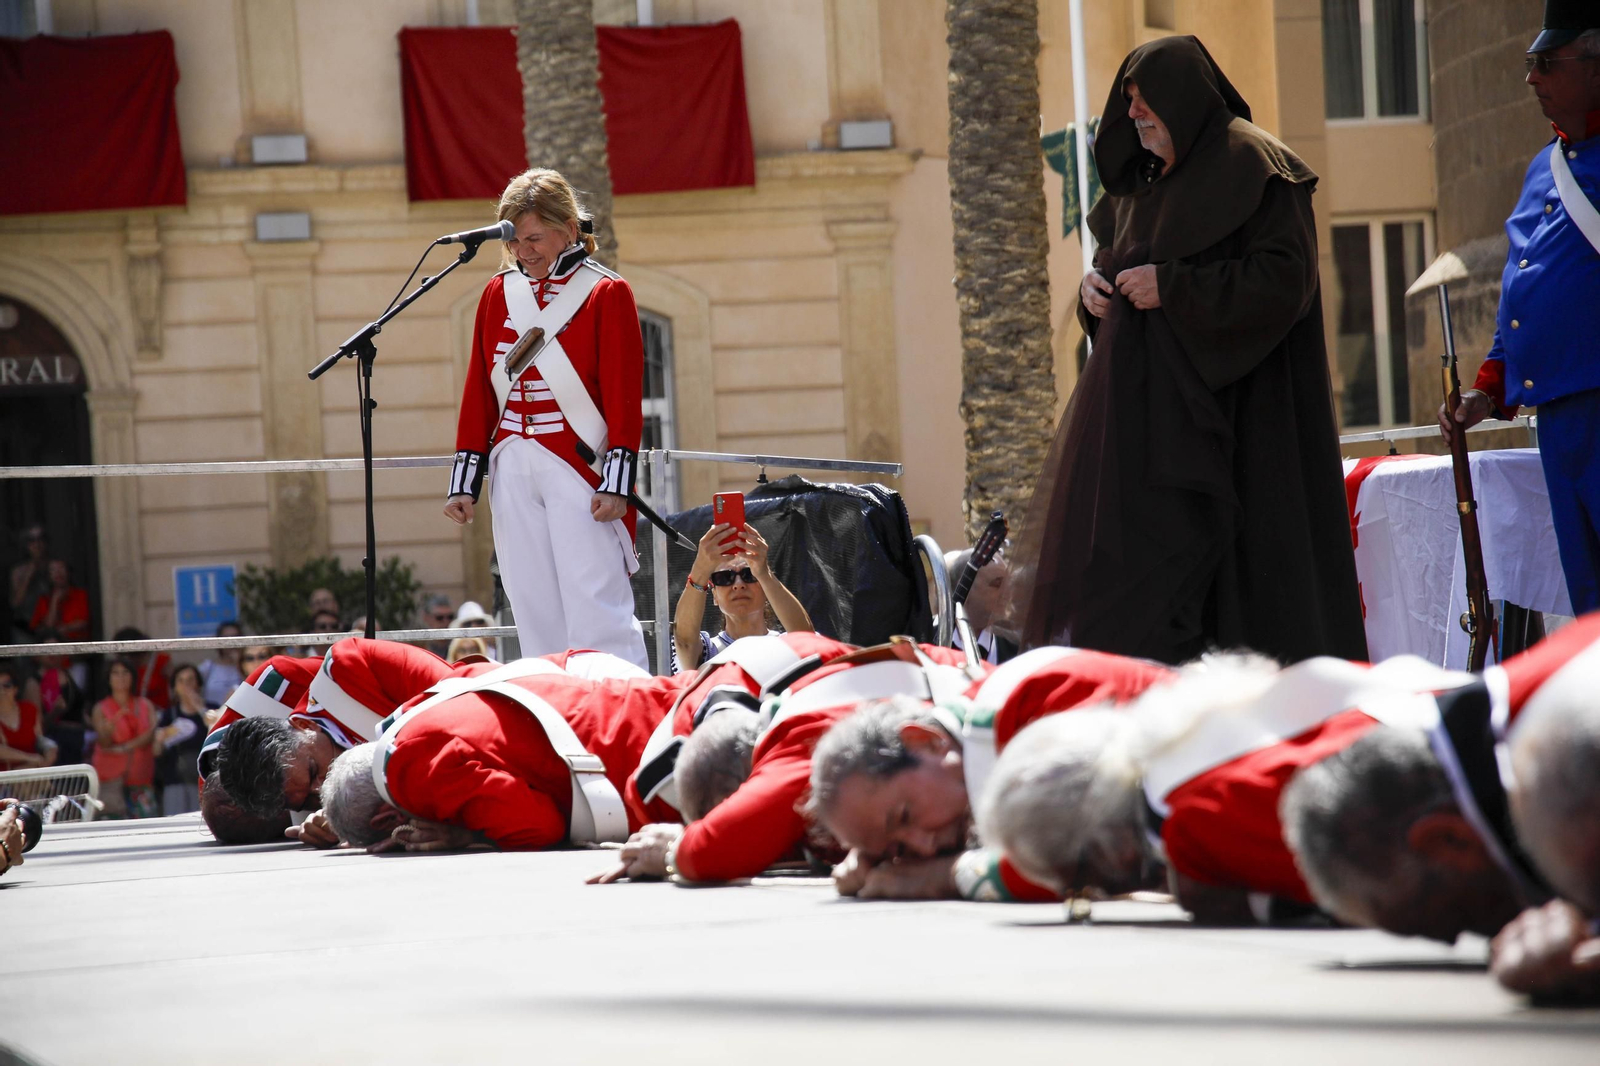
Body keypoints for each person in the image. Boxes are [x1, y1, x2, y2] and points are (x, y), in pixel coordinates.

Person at [1013, 35, 1364, 667]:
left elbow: (1286, 281)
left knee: (1252, 599)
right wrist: (1094, 293)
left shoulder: (1258, 166)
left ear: (1185, 99)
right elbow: (1117, 265)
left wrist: (1173, 288)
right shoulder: (1137, 187)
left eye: (1148, 101)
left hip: (1245, 428)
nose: (1137, 115)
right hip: (1152, 441)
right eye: (1130, 103)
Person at [978, 653, 1467, 922]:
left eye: (1082, 885)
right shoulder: (1196, 714)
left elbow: (1372, 890)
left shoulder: (1191, 821)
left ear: (1108, 854)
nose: (1101, 896)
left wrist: (1249, 901)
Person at [443, 167, 648, 671]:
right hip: (512, 461)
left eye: (534, 237)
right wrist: (465, 481)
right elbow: (480, 390)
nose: (523, 251)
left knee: (596, 606)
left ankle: (620, 715)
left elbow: (624, 396)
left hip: (580, 466)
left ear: (568, 230)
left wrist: (617, 484)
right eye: (515, 240)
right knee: (531, 605)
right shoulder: (497, 293)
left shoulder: (606, 292)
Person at [1440, 13, 1600, 615]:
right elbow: (1524, 292)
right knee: (1589, 606)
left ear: (1596, 65)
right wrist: (1489, 390)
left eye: (1547, 64)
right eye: (1530, 64)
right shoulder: (1545, 167)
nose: (1532, 79)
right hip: (1561, 418)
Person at [805, 647, 1172, 902]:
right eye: (900, 849)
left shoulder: (1040, 698)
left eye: (904, 816)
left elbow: (1090, 858)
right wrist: (877, 854)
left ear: (924, 743)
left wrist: (947, 875)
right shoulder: (988, 725)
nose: (924, 846)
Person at [321, 660, 679, 852]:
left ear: (388, 821)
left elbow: (538, 827)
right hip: (661, 698)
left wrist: (464, 836)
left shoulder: (411, 773)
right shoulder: (420, 706)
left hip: (655, 764)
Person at [671, 521, 814, 674]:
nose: (738, 585)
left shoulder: (785, 645)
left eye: (749, 575)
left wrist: (764, 573)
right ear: (714, 596)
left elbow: (807, 638)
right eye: (725, 577)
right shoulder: (708, 651)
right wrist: (700, 569)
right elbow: (684, 642)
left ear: (766, 589)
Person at [91, 658, 159, 819]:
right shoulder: (100, 708)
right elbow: (104, 743)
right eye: (115, 673)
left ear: (133, 676)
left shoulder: (145, 704)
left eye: (125, 672)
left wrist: (124, 747)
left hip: (141, 780)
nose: (120, 677)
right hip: (111, 782)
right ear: (108, 678)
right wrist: (107, 731)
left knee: (147, 829)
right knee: (113, 830)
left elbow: (150, 733)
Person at [153, 664, 208, 814]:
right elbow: (156, 751)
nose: (186, 685)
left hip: (204, 780)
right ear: (174, 688)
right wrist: (160, 739)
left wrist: (200, 709)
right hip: (175, 779)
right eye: (181, 681)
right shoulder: (168, 715)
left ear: (198, 683)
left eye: (190, 680)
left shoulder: (211, 709)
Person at [944, 548, 1012, 664]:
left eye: (1008, 583)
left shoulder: (1015, 648)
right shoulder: (925, 635)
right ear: (966, 586)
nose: (1007, 593)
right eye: (997, 584)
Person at [0, 661, 54, 771]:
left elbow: (39, 739)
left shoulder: (29, 709)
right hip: (5, 781)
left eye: (7, 685)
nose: (1, 691)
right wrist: (29, 758)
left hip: (31, 777)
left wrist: (50, 750)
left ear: (16, 688)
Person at [29, 559, 90, 645]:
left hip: (77, 645)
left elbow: (85, 621)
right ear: (49, 576)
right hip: (52, 647)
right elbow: (47, 627)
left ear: (68, 572)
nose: (58, 573)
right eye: (53, 570)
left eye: (61, 568)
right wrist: (55, 601)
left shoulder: (81, 595)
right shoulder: (44, 599)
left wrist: (65, 628)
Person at [8, 524, 48, 637]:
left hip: (49, 629)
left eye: (40, 539)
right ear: (26, 545)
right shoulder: (18, 571)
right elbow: (15, 603)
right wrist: (30, 573)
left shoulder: (54, 567)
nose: (37, 544)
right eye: (32, 540)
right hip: (24, 628)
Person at [197, 621, 245, 707]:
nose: (231, 642)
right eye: (226, 638)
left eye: (235, 637)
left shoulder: (247, 665)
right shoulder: (208, 667)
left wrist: (239, 663)